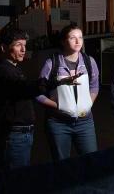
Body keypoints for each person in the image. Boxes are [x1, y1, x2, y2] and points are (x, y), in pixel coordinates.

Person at [37, 23, 100, 160]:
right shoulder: (51, 64)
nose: (78, 41)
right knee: (62, 164)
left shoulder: (90, 62)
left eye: (80, 37)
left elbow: (94, 86)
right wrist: (58, 106)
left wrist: (89, 103)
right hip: (58, 123)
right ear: (64, 41)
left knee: (92, 161)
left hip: (85, 122)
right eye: (73, 38)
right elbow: (38, 93)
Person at [0, 28, 40, 169]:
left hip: (17, 134)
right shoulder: (4, 71)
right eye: (18, 45)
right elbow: (22, 88)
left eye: (24, 45)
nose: (23, 50)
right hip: (14, 135)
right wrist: (50, 83)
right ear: (3, 47)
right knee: (15, 180)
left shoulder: (12, 68)